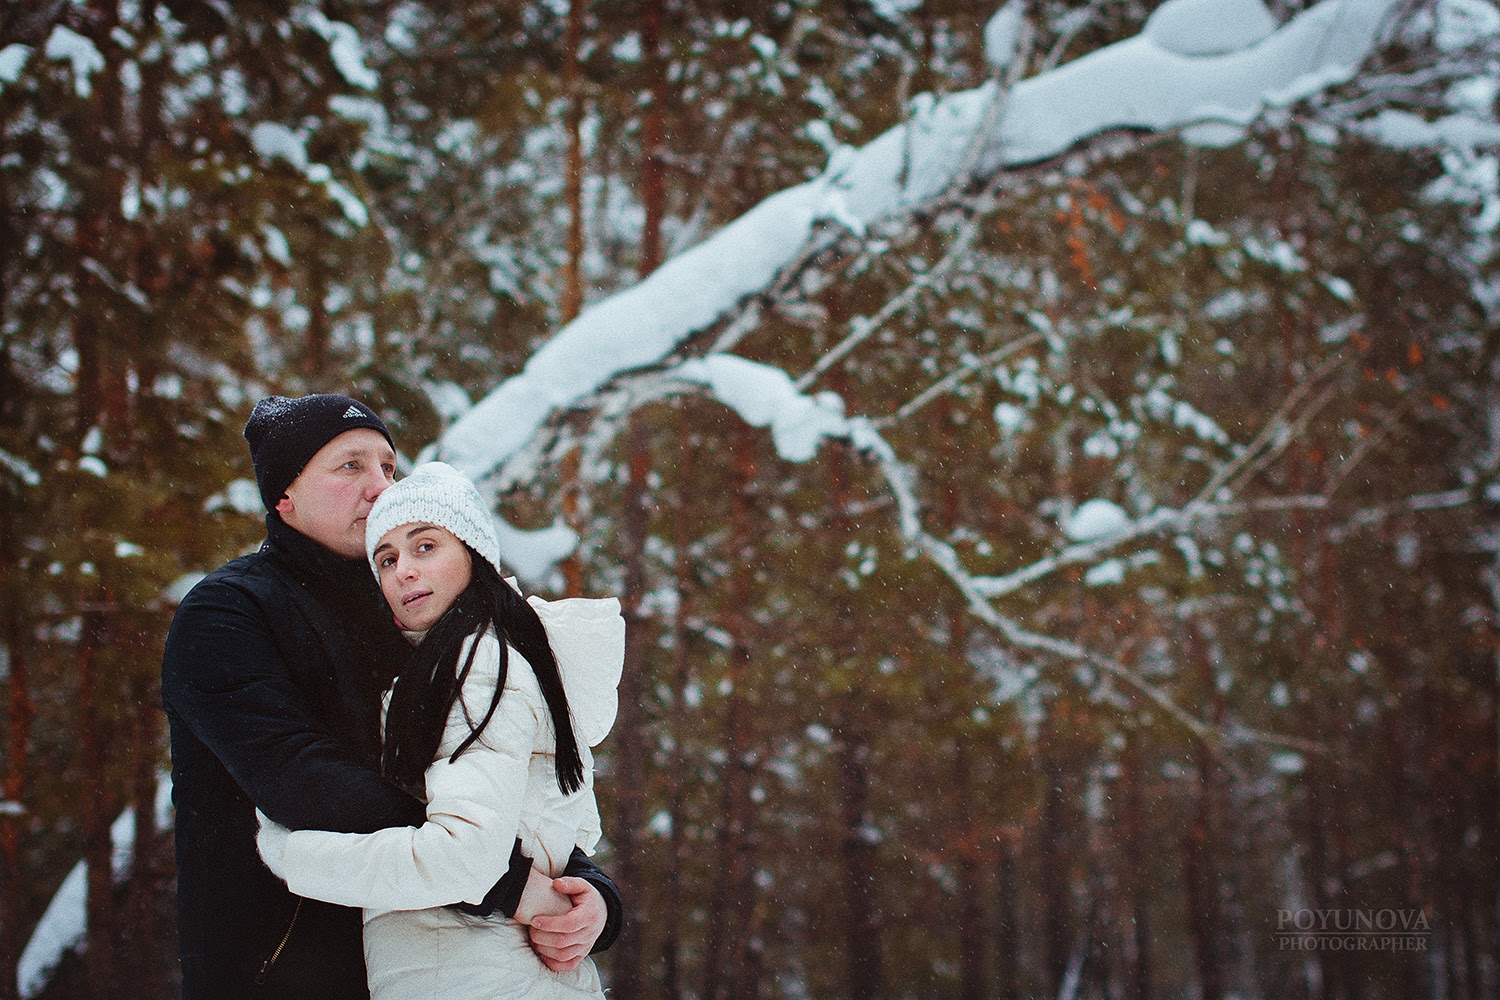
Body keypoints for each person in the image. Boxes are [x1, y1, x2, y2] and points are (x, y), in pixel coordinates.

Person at [161, 394, 621, 1000]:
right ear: (283, 497)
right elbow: (300, 780)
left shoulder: (418, 618)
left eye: (388, 467)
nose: (379, 487)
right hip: (276, 970)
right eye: (351, 466)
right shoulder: (227, 614)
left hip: (416, 967)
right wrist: (511, 885)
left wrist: (586, 896)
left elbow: (493, 772)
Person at [256, 461, 625, 999]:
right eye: (386, 558)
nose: (402, 570)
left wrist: (295, 858)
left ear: (474, 555)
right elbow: (531, 831)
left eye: (425, 546)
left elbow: (461, 860)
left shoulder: (477, 664)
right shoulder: (452, 666)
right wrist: (598, 897)